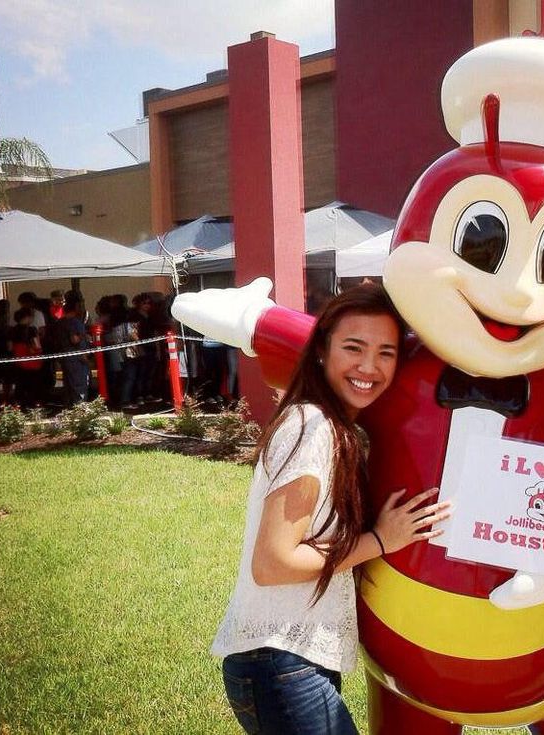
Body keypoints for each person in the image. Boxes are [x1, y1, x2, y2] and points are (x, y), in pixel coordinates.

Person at [211, 284, 451, 735]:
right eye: (353, 348)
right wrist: (381, 540)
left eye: (386, 353)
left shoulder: (334, 427)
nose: (368, 367)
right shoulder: (312, 427)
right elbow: (274, 562)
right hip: (280, 662)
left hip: (289, 663)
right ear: (321, 349)